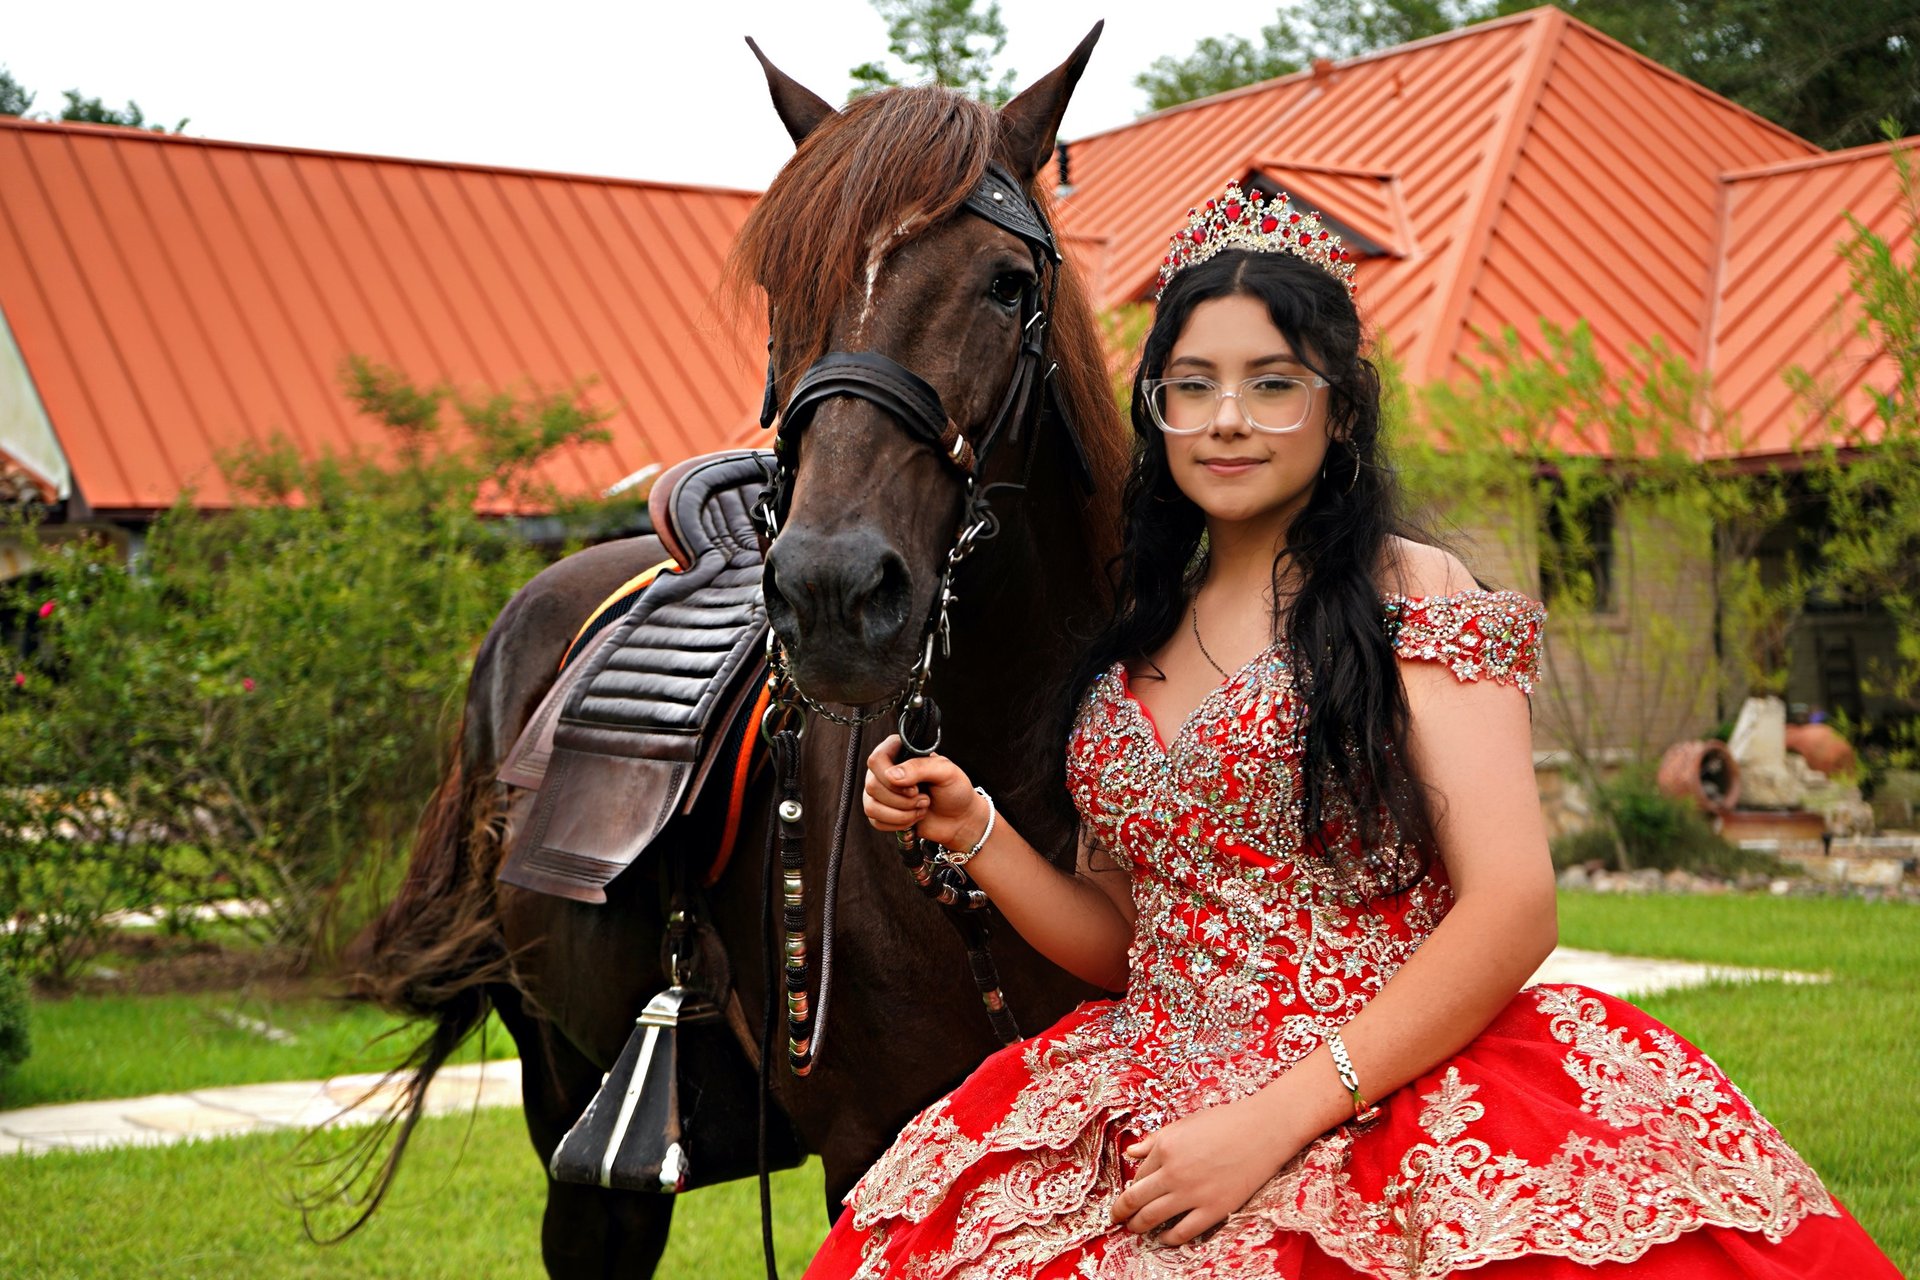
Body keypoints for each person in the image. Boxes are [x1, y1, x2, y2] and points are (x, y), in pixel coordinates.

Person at [802, 183, 1900, 1279]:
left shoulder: (1409, 594)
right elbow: (1131, 940)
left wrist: (1270, 1123)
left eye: (1271, 383)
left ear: (1338, 407)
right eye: (1194, 387)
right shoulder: (1134, 634)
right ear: (1157, 411)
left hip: (1385, 1090)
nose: (1228, 418)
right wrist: (979, 828)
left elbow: (1514, 907)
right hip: (1146, 1086)